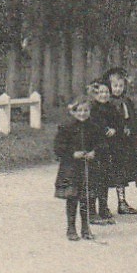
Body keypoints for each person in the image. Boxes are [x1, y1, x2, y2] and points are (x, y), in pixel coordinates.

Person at [104, 68, 137, 215]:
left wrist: (135, 130)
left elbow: (132, 119)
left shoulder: (126, 102)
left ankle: (122, 202)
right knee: (106, 173)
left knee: (121, 172)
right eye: (115, 86)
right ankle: (102, 206)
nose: (118, 89)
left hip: (123, 143)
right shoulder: (106, 103)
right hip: (109, 143)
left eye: (121, 86)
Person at [53, 98, 99, 241]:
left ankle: (85, 228)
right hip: (71, 169)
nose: (82, 113)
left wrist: (94, 152)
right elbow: (58, 148)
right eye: (79, 110)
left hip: (88, 167)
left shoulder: (94, 127)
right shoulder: (66, 128)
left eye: (86, 110)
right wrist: (73, 154)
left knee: (86, 198)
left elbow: (102, 144)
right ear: (73, 112)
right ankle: (71, 228)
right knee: (72, 198)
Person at [85, 78, 120, 224]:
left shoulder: (112, 108)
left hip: (107, 147)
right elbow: (92, 126)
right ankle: (91, 211)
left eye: (106, 92)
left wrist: (114, 129)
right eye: (100, 92)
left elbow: (118, 122)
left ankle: (103, 208)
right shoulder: (91, 108)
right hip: (93, 146)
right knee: (93, 179)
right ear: (95, 94)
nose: (104, 95)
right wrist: (105, 130)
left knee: (105, 177)